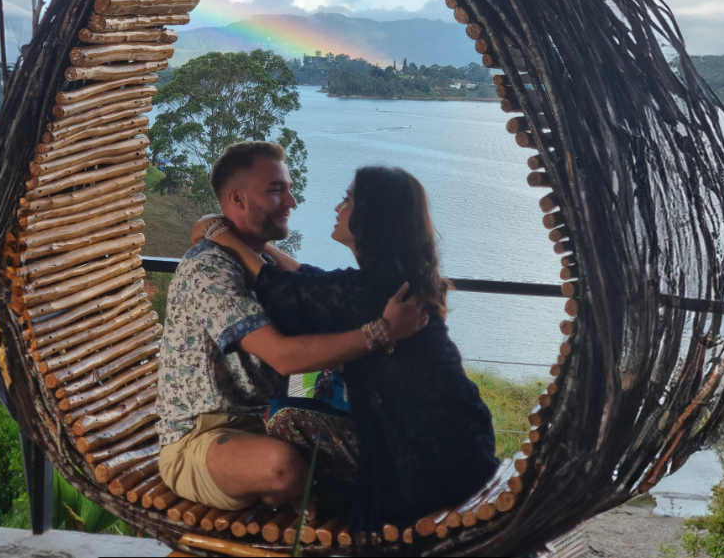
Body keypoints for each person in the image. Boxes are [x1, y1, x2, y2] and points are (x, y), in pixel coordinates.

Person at [199, 165, 500, 533]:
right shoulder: (393, 280)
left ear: (371, 216)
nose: (338, 208)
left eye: (348, 200)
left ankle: (309, 499)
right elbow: (306, 280)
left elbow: (283, 291)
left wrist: (221, 237)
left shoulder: (372, 291)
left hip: (430, 462)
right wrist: (249, 243)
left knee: (284, 419)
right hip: (465, 444)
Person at [155, 142, 430, 512]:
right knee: (281, 467)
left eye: (288, 189)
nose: (292, 202)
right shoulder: (209, 269)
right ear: (237, 199)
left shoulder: (266, 267)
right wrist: (381, 332)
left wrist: (216, 228)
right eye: (276, 190)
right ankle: (298, 494)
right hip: (201, 438)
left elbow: (305, 282)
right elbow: (283, 358)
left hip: (266, 424)